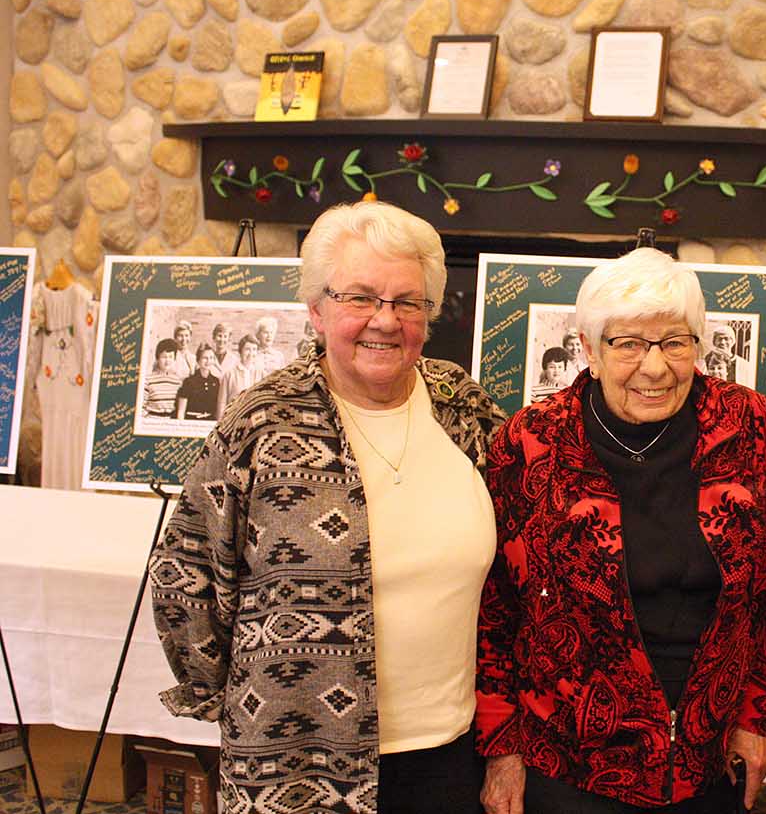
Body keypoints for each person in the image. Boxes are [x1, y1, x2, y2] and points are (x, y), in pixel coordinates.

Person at [151, 201, 507, 814]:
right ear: (316, 309)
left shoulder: (464, 408)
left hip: (451, 753)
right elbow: (185, 574)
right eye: (360, 298)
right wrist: (228, 704)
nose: (384, 321)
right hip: (295, 761)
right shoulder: (261, 422)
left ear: (429, 313)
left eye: (406, 302)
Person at [477, 247, 766, 813]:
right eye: (628, 343)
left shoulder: (751, 426)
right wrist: (502, 752)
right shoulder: (529, 443)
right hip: (567, 766)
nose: (654, 368)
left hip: (712, 761)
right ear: (590, 350)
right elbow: (494, 609)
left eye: (674, 343)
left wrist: (760, 719)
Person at [216, 333, 261, 417]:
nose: (251, 353)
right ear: (240, 351)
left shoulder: (261, 375)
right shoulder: (229, 375)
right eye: (247, 349)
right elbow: (221, 404)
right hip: (234, 420)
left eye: (254, 349)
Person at [175, 343, 221, 420]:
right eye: (205, 358)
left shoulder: (216, 382)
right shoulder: (188, 382)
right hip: (191, 422)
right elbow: (181, 411)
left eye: (211, 358)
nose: (208, 361)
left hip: (209, 423)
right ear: (198, 360)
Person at [142, 338, 183, 417]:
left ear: (174, 359)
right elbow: (141, 407)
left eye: (170, 357)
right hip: (152, 422)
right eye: (164, 357)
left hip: (172, 423)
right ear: (157, 358)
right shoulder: (148, 380)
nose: (167, 360)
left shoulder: (178, 381)